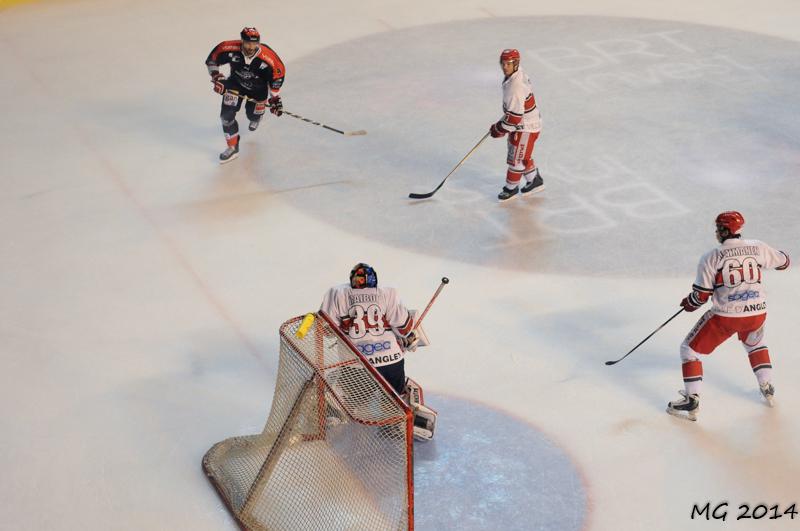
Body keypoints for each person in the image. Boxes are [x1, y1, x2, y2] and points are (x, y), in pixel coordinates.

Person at [667, 211, 790, 421]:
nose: (716, 232)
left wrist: (689, 302)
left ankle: (691, 399)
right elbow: (784, 262)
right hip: (757, 313)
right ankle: (767, 386)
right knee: (755, 344)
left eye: (718, 228)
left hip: (726, 317)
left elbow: (700, 297)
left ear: (724, 231)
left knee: (689, 350)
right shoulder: (758, 246)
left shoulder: (711, 257)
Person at [320, 263, 437, 440]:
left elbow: (326, 331)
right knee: (394, 396)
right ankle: (392, 426)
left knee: (349, 394)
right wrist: (408, 338)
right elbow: (404, 328)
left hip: (357, 366)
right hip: (391, 364)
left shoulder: (336, 293)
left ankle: (337, 414)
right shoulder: (388, 292)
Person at [205, 27, 285, 163]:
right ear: (242, 41)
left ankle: (257, 117)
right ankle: (232, 147)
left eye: (254, 43)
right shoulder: (228, 47)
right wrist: (217, 77)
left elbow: (277, 78)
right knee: (226, 116)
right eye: (248, 43)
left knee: (253, 115)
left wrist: (275, 99)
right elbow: (212, 60)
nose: (251, 47)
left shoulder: (269, 59)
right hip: (235, 85)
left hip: (258, 90)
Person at [489, 49, 543, 201]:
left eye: (509, 63)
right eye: (503, 63)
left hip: (526, 127)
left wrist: (498, 129)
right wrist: (502, 123)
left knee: (517, 159)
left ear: (516, 63)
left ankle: (511, 188)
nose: (505, 67)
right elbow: (514, 113)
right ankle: (534, 180)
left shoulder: (515, 87)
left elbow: (514, 119)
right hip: (526, 123)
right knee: (522, 154)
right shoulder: (516, 73)